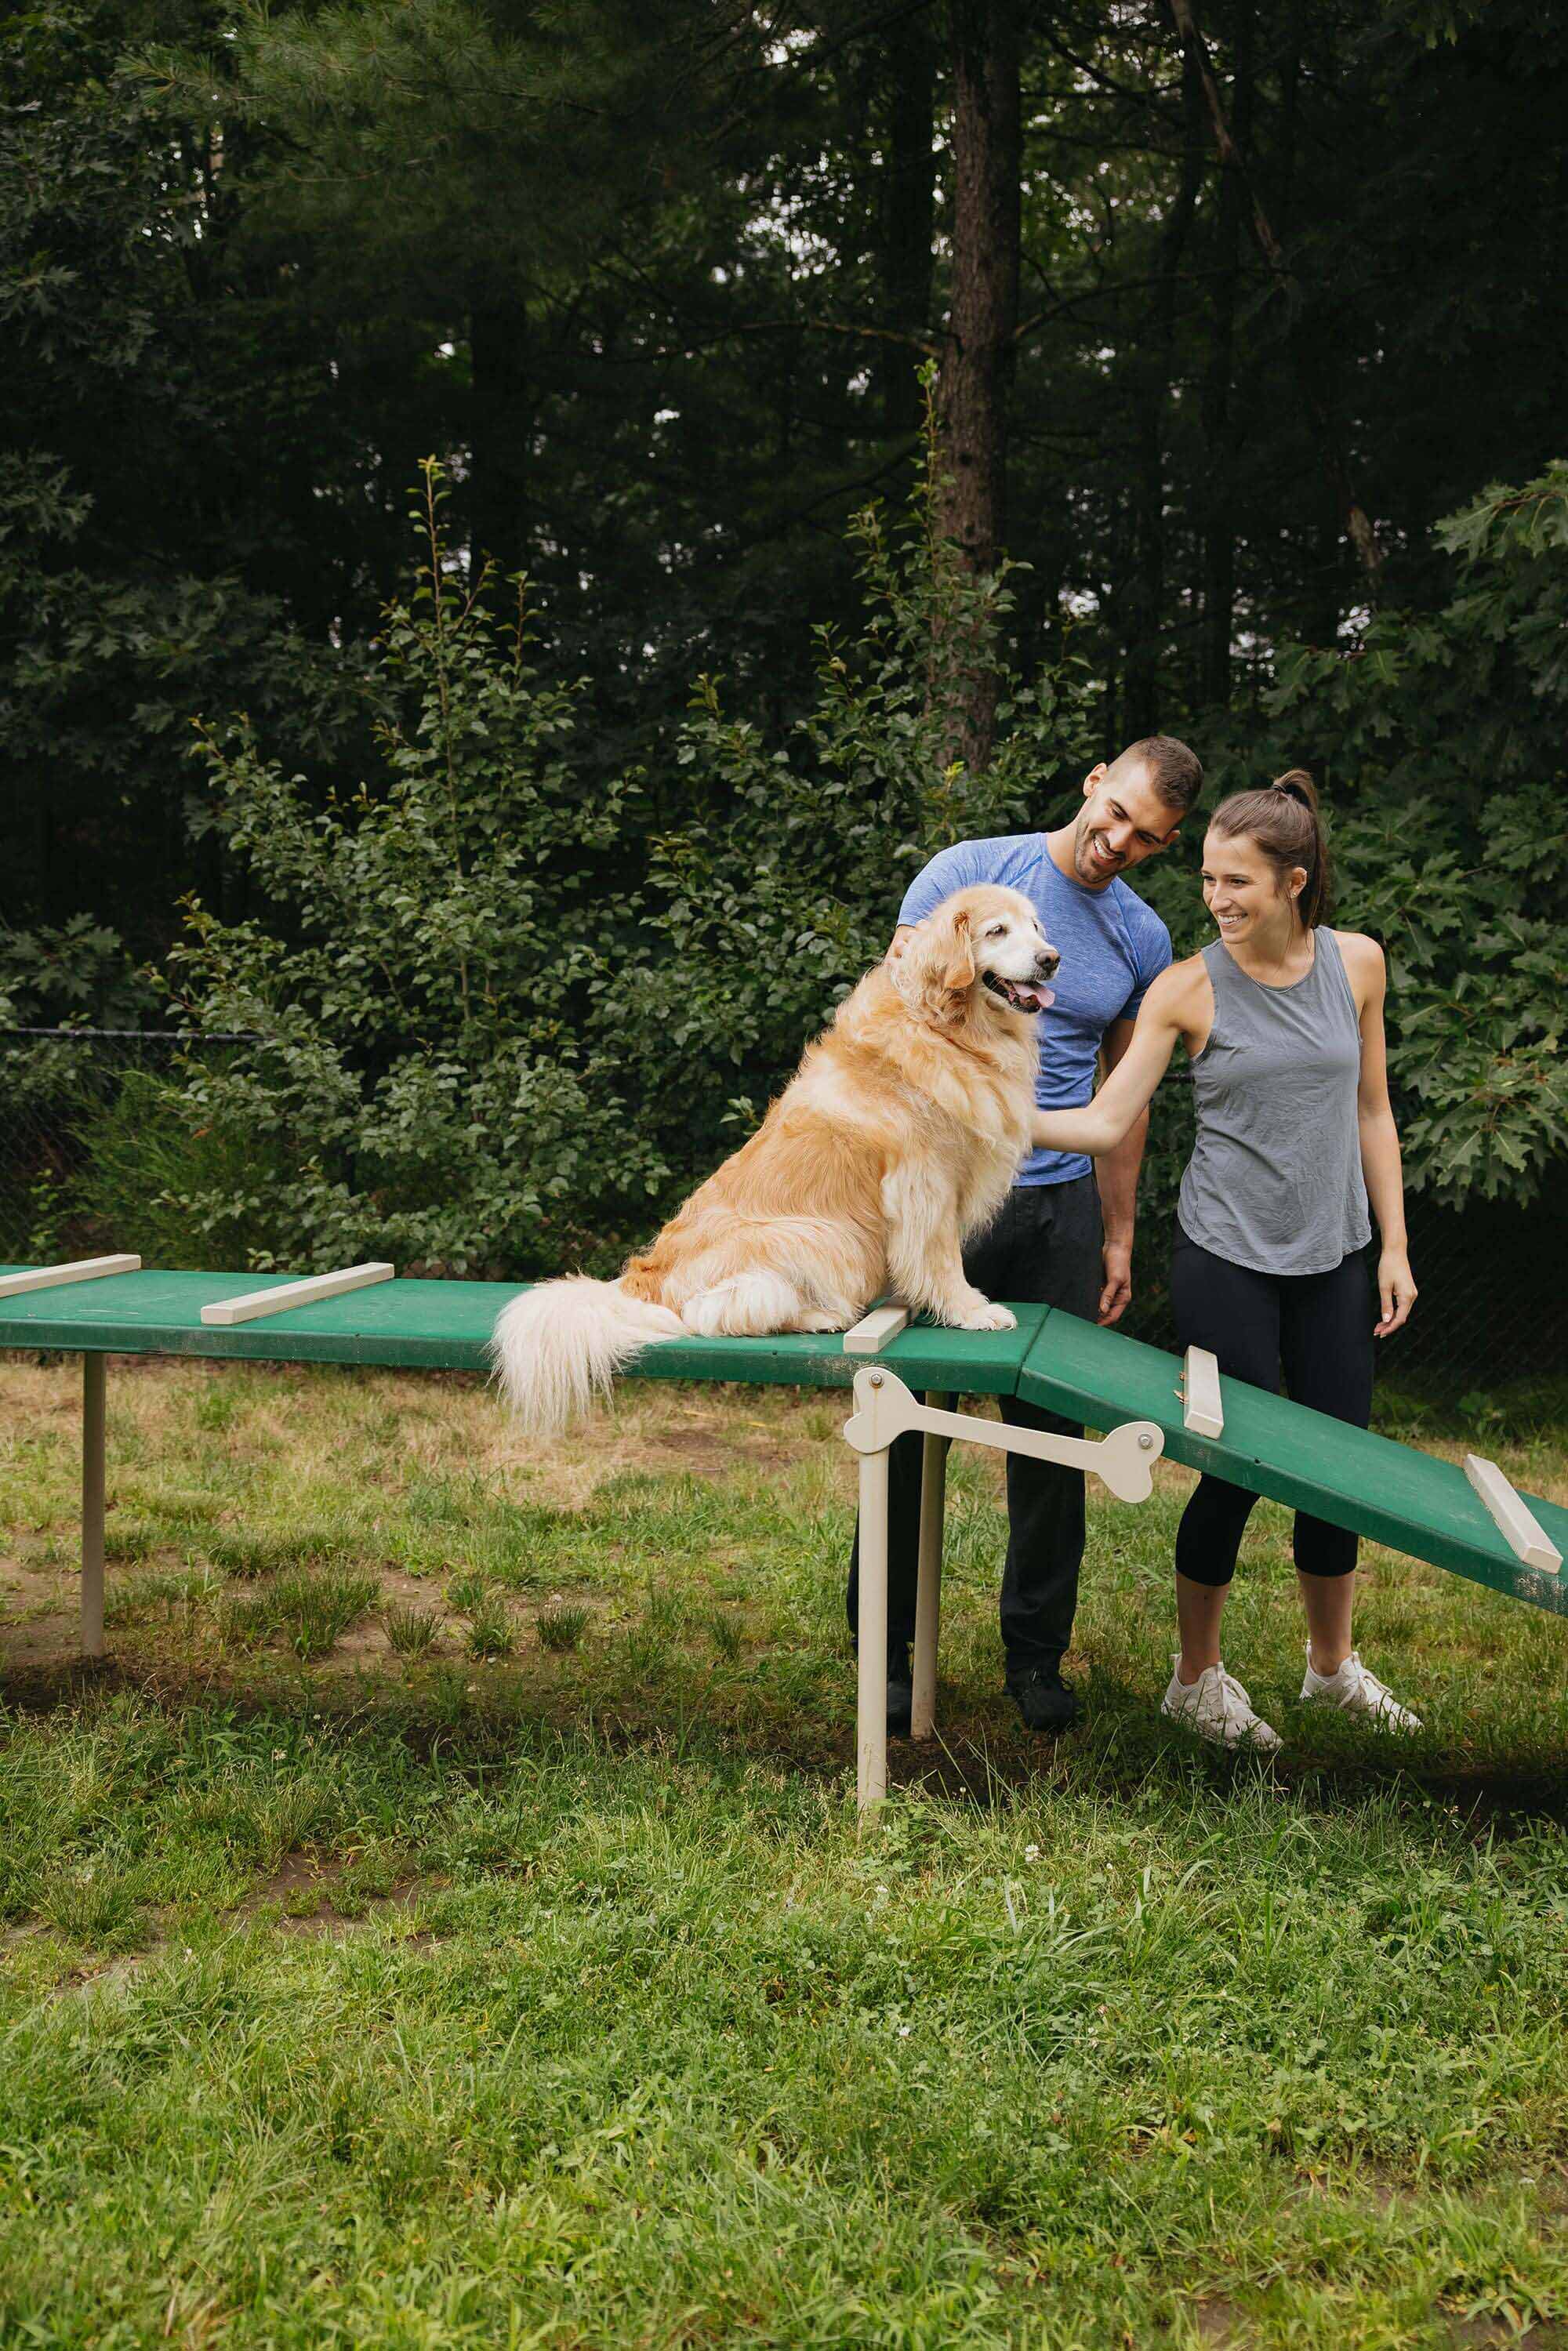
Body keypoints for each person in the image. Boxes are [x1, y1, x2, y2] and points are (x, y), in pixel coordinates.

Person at [1031, 770, 1421, 1749]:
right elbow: (1108, 1119)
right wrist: (987, 1118)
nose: (1215, 899)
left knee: (1339, 1463)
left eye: (1236, 882)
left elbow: (1373, 1111)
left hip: (1333, 1250)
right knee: (1239, 1463)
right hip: (1225, 1255)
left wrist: (1393, 1245)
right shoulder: (1184, 988)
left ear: (1293, 880)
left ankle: (1328, 1666)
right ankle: (1193, 1676)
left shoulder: (1358, 965)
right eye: (1205, 879)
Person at [848, 733, 1204, 1736]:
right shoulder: (966, 874)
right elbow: (895, 1016)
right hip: (937, 1194)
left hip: (1055, 1205)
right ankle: (886, 1653)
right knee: (901, 1420)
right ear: (1093, 781)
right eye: (1117, 812)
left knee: (1051, 1443)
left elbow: (1120, 1102)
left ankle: (1034, 1659)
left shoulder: (1137, 938)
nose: (1119, 840)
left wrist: (1119, 1232)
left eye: (1147, 837)